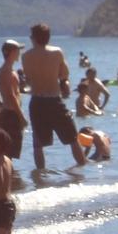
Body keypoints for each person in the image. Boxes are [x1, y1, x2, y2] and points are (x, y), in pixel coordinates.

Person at [22, 23, 86, 170]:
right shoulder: (57, 52)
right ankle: (82, 172)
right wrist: (65, 88)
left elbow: (29, 79)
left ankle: (41, 178)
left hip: (37, 101)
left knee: (38, 144)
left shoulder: (26, 56)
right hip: (54, 100)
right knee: (72, 138)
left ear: (34, 38)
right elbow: (64, 76)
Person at [0, 40, 26, 160]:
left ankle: (12, 178)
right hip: (11, 115)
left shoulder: (7, 70)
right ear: (12, 52)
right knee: (8, 154)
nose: (19, 53)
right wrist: (21, 117)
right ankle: (9, 177)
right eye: (18, 50)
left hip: (8, 113)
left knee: (9, 153)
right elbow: (11, 96)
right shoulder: (6, 72)